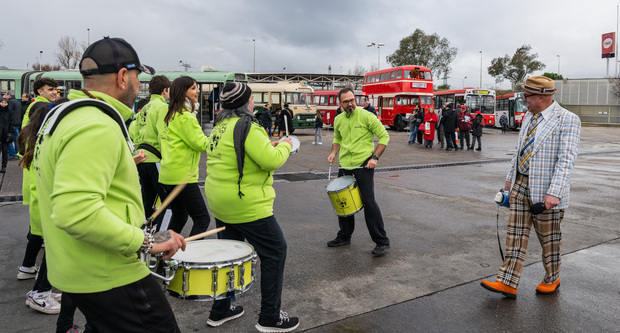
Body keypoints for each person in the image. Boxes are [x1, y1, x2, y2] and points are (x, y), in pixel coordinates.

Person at [32, 36, 186, 332]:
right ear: (122, 77)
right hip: (109, 272)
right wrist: (146, 241)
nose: (139, 86)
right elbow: (75, 211)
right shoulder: (96, 124)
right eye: (138, 77)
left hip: (79, 267)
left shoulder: (64, 117)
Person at [205, 82, 299, 332]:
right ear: (245, 103)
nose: (254, 103)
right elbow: (271, 160)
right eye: (251, 99)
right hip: (246, 203)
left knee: (228, 257)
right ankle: (270, 316)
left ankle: (220, 310)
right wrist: (288, 145)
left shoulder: (219, 126)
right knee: (275, 252)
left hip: (220, 202)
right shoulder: (248, 126)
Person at [481, 76, 581, 299]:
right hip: (520, 184)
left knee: (549, 240)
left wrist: (554, 193)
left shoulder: (567, 120)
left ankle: (552, 278)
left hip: (546, 192)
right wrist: (509, 180)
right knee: (515, 235)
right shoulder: (528, 115)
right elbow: (519, 151)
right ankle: (507, 282)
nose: (524, 100)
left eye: (527, 96)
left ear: (542, 97)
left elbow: (566, 160)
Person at [327, 87, 390, 257]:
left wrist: (374, 158)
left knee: (369, 203)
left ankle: (382, 241)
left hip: (363, 165)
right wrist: (333, 152)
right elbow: (337, 138)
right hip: (345, 166)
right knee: (343, 202)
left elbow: (384, 137)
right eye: (346, 101)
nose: (350, 104)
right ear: (340, 104)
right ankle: (344, 236)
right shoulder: (338, 119)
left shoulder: (367, 116)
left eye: (352, 100)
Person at [16, 78, 59, 282]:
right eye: (51, 89)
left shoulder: (32, 109)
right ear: (39, 91)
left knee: (37, 229)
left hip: (32, 175)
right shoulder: (41, 107)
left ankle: (27, 267)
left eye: (56, 90)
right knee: (45, 231)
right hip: (38, 179)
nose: (55, 93)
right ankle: (42, 287)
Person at [158, 75, 211, 236]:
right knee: (202, 220)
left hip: (168, 174)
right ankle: (190, 258)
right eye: (193, 88)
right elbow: (202, 144)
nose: (198, 90)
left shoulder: (171, 114)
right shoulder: (186, 117)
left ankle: (164, 256)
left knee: (180, 216)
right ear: (183, 92)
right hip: (183, 176)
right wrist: (221, 140)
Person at [128, 75, 171, 231]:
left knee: (148, 202)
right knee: (168, 203)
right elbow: (163, 135)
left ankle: (144, 236)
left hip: (140, 159)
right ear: (165, 90)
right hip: (155, 160)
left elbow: (132, 131)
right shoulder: (162, 107)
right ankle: (160, 241)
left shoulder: (144, 108)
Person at [4, 91, 21, 160]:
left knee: (9, 138)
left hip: (11, 123)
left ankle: (12, 154)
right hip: (17, 122)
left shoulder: (10, 102)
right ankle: (17, 153)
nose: (4, 96)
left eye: (5, 94)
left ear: (9, 95)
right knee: (16, 138)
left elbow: (8, 112)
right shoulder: (17, 102)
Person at [0, 98, 13, 173]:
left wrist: (10, 133)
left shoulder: (10, 111)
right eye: (2, 102)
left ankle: (4, 166)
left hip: (5, 133)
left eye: (5, 103)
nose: (3, 104)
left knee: (5, 151)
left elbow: (12, 123)